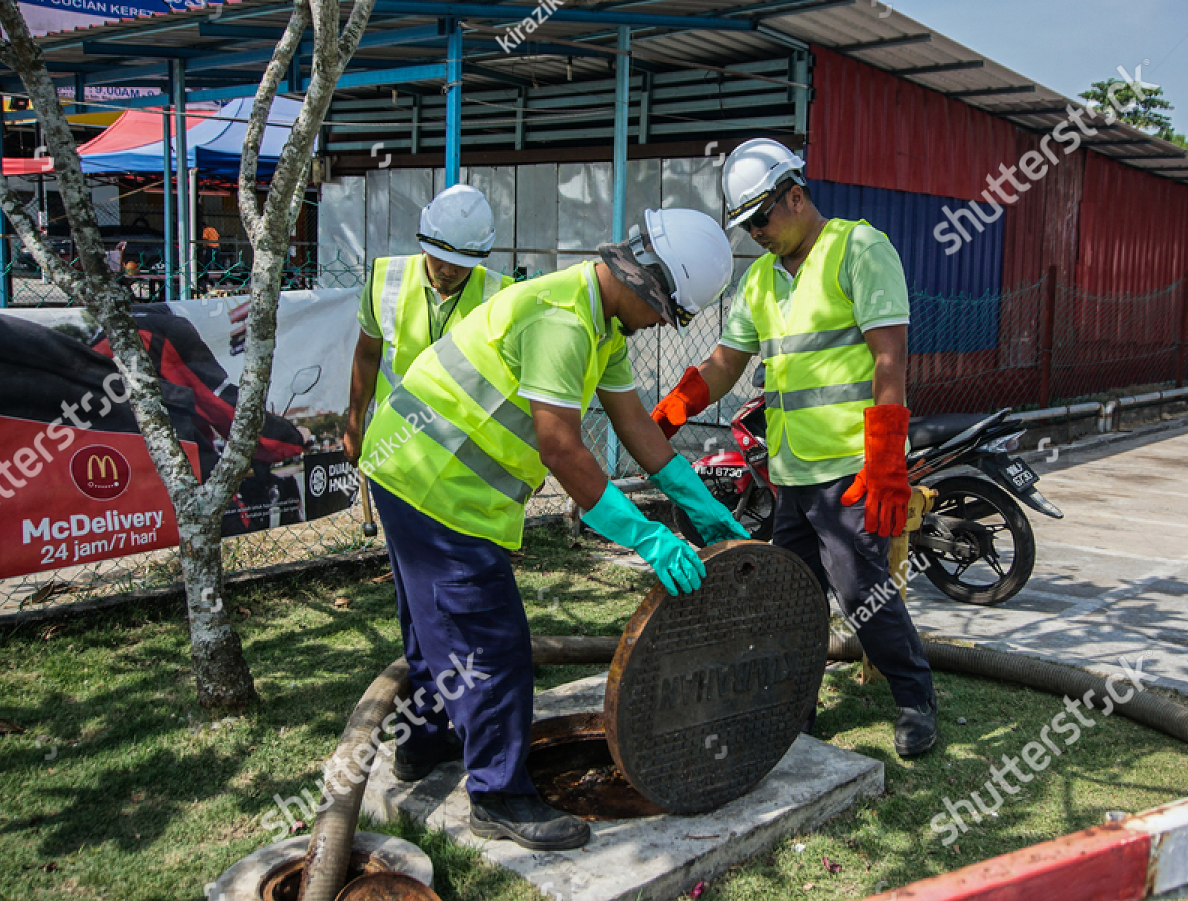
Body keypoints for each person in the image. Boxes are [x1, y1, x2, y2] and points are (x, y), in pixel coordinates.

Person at [357, 207, 748, 851]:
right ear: (643, 281)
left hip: (413, 471)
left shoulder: (600, 325)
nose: (659, 327)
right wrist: (646, 537)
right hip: (432, 485)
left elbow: (637, 428)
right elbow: (562, 447)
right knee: (491, 646)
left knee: (435, 631)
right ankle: (501, 794)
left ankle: (421, 747)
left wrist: (698, 502)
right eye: (665, 312)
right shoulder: (563, 320)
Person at [651, 139, 938, 758]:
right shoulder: (760, 281)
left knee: (863, 593)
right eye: (746, 225)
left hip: (852, 473)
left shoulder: (860, 250)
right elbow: (727, 363)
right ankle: (795, 704)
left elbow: (890, 357)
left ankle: (916, 698)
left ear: (796, 196)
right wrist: (677, 405)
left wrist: (887, 460)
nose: (755, 233)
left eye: (761, 218)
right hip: (792, 476)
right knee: (791, 599)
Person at [343, 184, 506, 465]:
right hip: (394, 447)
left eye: (462, 262)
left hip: (464, 455)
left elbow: (510, 385)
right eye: (441, 257)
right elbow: (367, 356)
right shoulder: (385, 281)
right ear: (423, 242)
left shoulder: (500, 296)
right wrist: (354, 426)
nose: (449, 270)